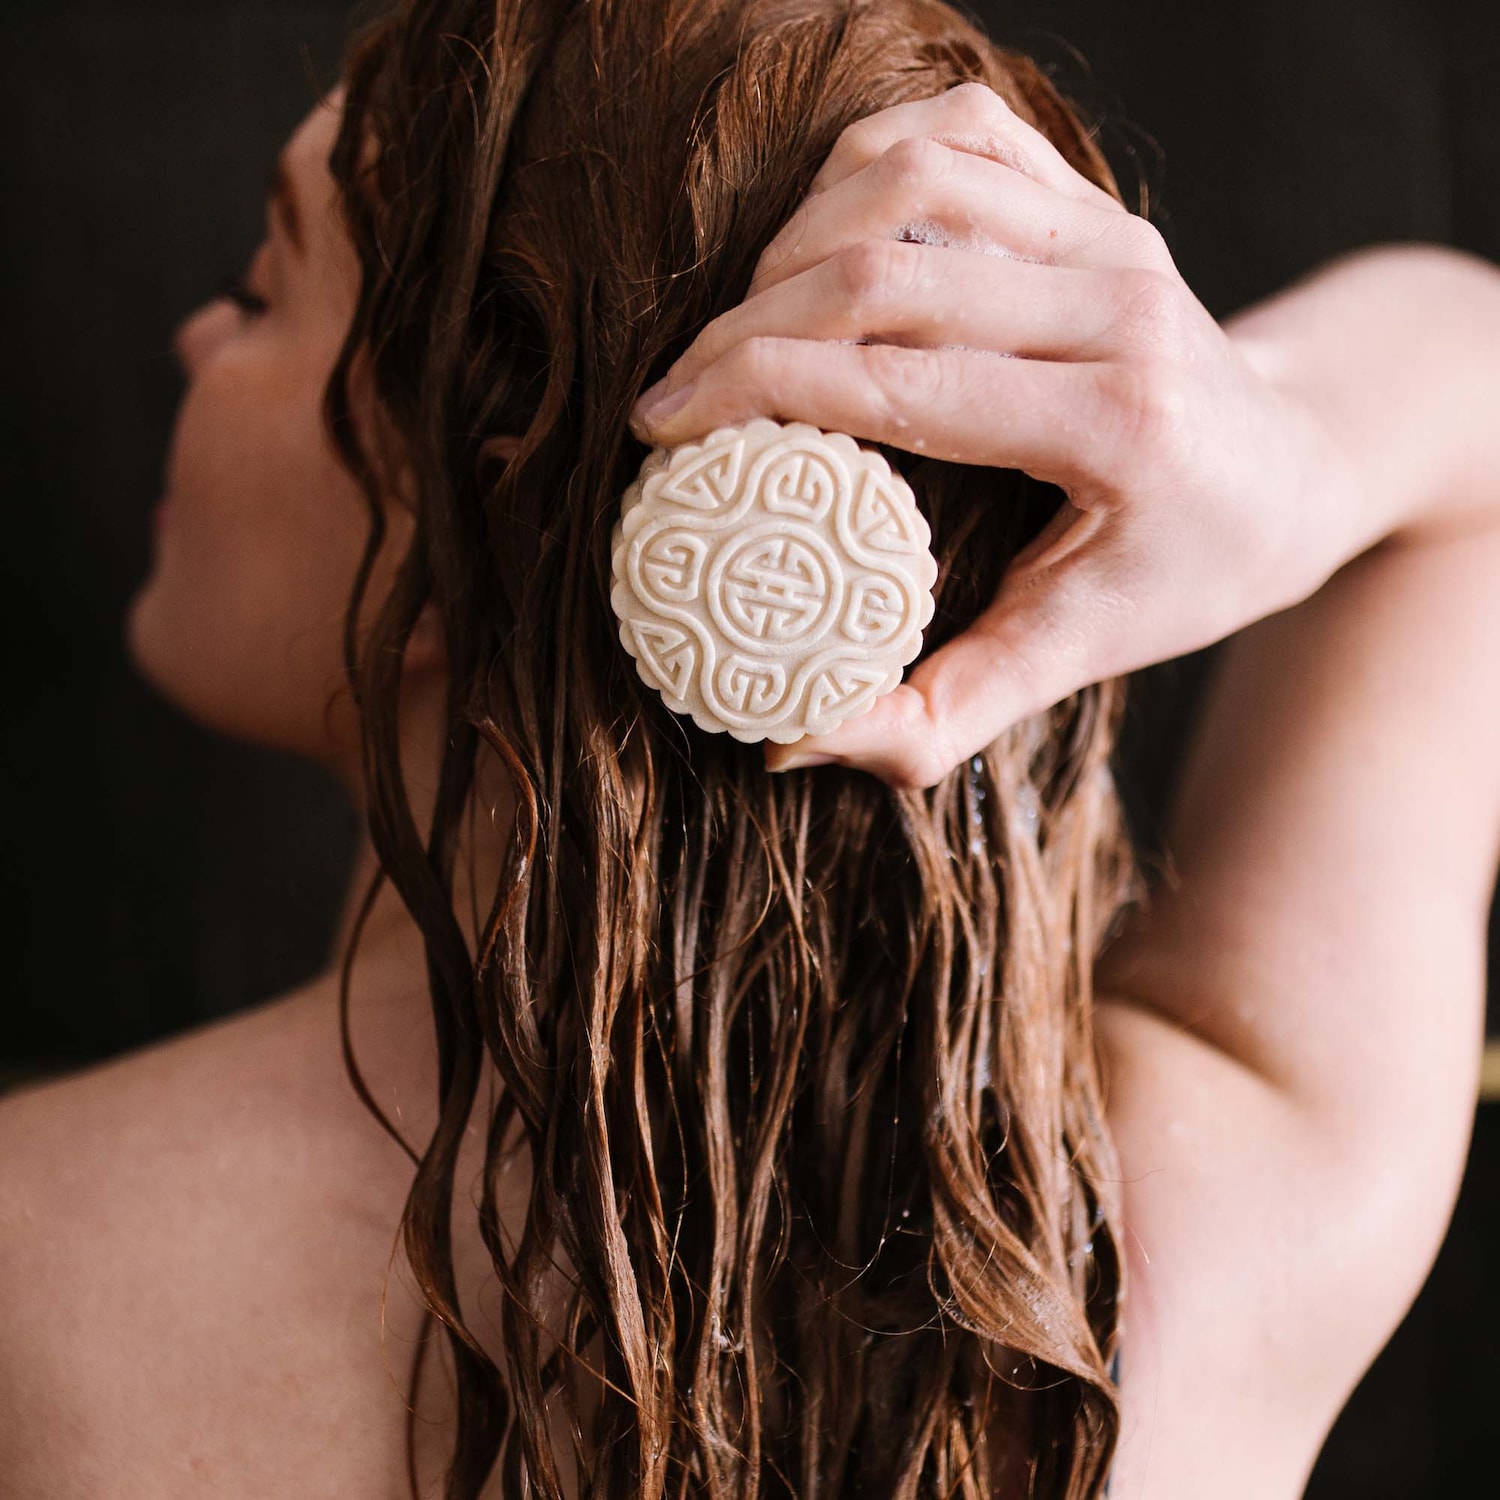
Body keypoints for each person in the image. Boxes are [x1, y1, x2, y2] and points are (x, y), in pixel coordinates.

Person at [1, 0, 1497, 1494]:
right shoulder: (1213, 1229)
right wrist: (1283, 441)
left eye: (262, 292)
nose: (197, 335)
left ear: (476, 508)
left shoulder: (41, 1270)